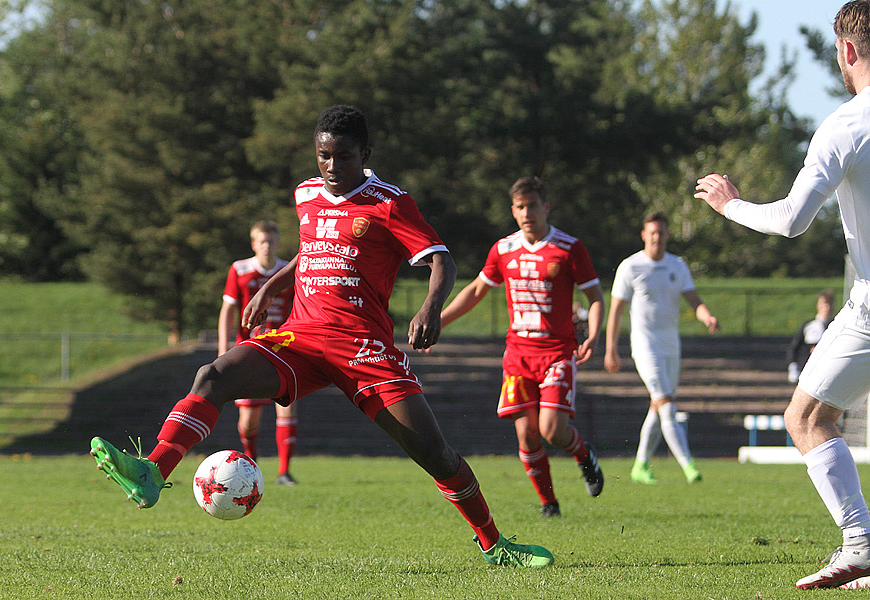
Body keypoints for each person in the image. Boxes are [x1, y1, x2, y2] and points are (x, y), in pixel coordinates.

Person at [90, 105, 553, 567]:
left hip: (363, 346)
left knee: (433, 453)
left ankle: (495, 544)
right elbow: (311, 251)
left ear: (365, 154)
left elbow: (441, 260)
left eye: (344, 157)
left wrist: (431, 307)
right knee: (212, 374)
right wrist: (272, 286)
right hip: (301, 338)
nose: (332, 168)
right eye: (323, 156)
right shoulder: (306, 194)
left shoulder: (389, 202)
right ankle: (153, 470)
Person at [694, 2, 870, 587]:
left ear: (847, 51)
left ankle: (861, 542)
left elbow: (793, 220)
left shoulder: (846, 125)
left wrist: (729, 205)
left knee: (808, 417)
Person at [437, 176, 605, 519]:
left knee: (551, 431)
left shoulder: (569, 247)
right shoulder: (503, 249)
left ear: (545, 206)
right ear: (513, 211)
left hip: (558, 352)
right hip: (517, 355)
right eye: (520, 207)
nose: (526, 212)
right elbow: (476, 291)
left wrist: (595, 335)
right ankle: (549, 504)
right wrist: (438, 320)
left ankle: (584, 456)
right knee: (527, 435)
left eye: (532, 205)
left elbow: (595, 296)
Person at [603, 212, 719, 485]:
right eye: (652, 233)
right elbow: (616, 311)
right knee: (667, 405)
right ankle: (689, 466)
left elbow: (694, 300)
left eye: (661, 233)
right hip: (644, 346)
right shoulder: (630, 267)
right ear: (644, 235)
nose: (656, 237)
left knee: (658, 405)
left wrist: (707, 316)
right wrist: (611, 348)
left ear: (667, 235)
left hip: (671, 345)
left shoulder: (677, 266)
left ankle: (640, 465)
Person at [218, 220, 298, 484]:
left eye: (272, 241)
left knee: (287, 408)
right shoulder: (240, 270)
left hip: (283, 351)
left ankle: (284, 472)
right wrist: (223, 348)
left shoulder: (288, 270)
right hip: (250, 352)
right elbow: (228, 309)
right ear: (254, 244)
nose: (267, 246)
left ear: (277, 243)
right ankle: (251, 459)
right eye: (262, 242)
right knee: (249, 420)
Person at [786, 289, 835, 383]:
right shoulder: (808, 325)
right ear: (818, 305)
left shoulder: (838, 326)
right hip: (808, 372)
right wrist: (793, 365)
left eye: (830, 304)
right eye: (824, 303)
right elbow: (795, 347)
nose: (827, 307)